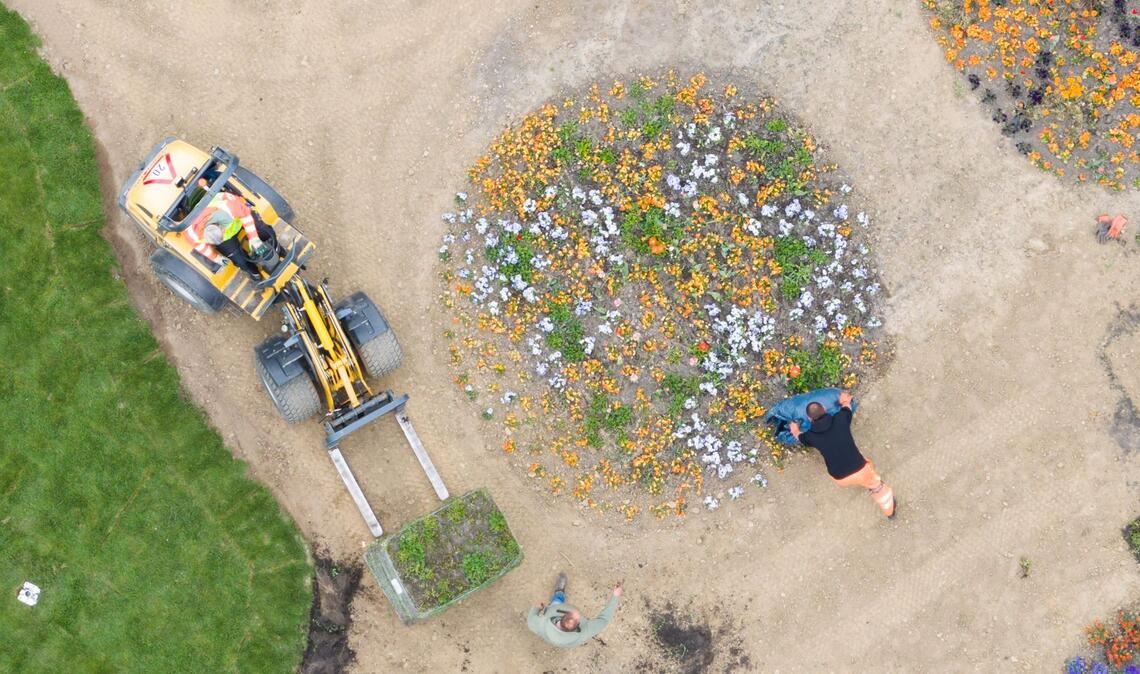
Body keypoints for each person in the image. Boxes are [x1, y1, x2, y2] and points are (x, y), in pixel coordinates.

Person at [788, 390, 897, 519]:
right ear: (825, 409)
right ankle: (889, 512)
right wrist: (844, 401)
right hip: (860, 469)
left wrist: (794, 429)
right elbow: (847, 407)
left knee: (859, 469)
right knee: (877, 487)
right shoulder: (840, 419)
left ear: (809, 419)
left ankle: (867, 484)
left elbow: (798, 436)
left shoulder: (810, 437)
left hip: (840, 477)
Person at [184, 183, 274, 280]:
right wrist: (216, 258)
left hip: (238, 218)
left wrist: (253, 237)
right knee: (238, 259)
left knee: (264, 231)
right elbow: (200, 246)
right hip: (228, 229)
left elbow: (245, 214)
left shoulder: (227, 207)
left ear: (219, 224)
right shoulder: (192, 234)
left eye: (222, 233)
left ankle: (276, 249)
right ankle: (253, 272)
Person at [526, 572, 622, 648]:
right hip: (567, 642)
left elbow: (530, 621)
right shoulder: (584, 633)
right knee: (558, 600)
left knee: (557, 601)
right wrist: (616, 596)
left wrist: (537, 608)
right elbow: (604, 619)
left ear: (562, 617)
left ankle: (559, 592)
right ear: (578, 625)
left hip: (554, 612)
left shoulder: (541, 623)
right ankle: (559, 593)